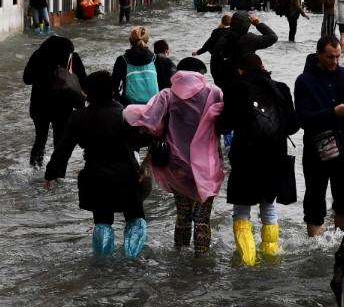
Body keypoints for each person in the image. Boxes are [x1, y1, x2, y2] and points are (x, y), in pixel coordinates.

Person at [124, 58, 224, 256]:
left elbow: (149, 120)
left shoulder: (167, 95)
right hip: (207, 166)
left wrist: (123, 111)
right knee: (202, 217)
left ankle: (180, 255)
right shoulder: (214, 92)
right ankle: (201, 259)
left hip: (176, 166)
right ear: (201, 73)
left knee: (183, 213)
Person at [45, 71, 147, 258]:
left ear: (87, 92)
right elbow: (141, 141)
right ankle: (132, 259)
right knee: (135, 218)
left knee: (102, 222)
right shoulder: (125, 114)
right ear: (113, 91)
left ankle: (101, 265)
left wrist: (51, 172)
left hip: (95, 176)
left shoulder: (78, 118)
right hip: (126, 177)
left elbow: (63, 148)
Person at [218, 53, 298, 265]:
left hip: (246, 158)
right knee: (269, 209)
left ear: (240, 70)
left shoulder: (236, 89)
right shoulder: (280, 88)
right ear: (263, 66)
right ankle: (271, 259)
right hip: (275, 157)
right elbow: (293, 126)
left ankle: (248, 263)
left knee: (242, 212)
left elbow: (224, 126)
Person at [295, 36, 344, 237]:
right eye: (330, 57)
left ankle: (342, 243)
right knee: (314, 204)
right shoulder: (304, 81)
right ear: (318, 54)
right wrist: (332, 113)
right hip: (317, 154)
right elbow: (302, 119)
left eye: (338, 56)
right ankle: (314, 249)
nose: (334, 61)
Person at [24, 35, 87, 167]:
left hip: (39, 106)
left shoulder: (38, 55)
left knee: (40, 139)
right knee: (60, 141)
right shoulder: (72, 58)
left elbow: (27, 79)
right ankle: (56, 173)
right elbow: (84, 82)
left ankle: (34, 169)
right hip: (63, 107)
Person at [210, 12, 279, 91]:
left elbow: (214, 62)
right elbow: (273, 37)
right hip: (248, 82)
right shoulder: (250, 39)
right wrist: (258, 24)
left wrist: (219, 82)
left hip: (226, 82)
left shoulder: (222, 38)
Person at [112, 26, 159, 106]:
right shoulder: (157, 60)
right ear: (147, 40)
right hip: (153, 106)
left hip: (129, 106)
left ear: (130, 40)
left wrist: (120, 102)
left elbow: (113, 87)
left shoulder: (122, 60)